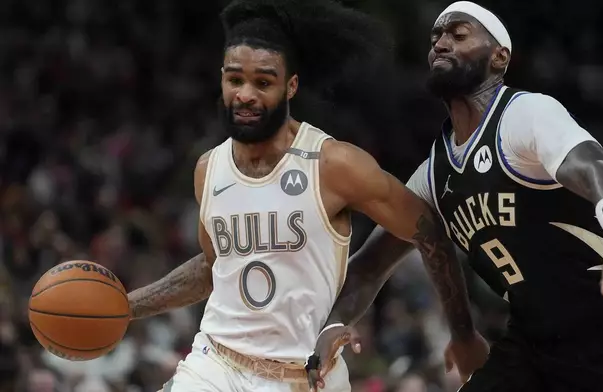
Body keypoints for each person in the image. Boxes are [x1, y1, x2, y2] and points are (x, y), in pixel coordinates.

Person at [124, 0, 487, 391]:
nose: (245, 94)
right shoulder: (208, 169)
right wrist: (126, 307)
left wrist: (462, 332)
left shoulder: (334, 164)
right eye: (235, 80)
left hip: (308, 376)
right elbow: (216, 267)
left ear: (290, 86)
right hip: (216, 365)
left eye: (263, 82)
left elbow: (428, 230)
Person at [306, 2, 603, 391]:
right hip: (533, 343)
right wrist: (334, 324)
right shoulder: (433, 176)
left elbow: (597, 168)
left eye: (459, 35)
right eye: (436, 38)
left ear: (499, 57)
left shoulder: (525, 114)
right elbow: (370, 266)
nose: (441, 44)